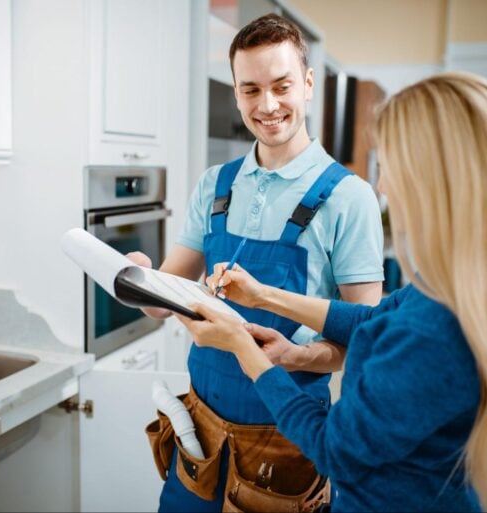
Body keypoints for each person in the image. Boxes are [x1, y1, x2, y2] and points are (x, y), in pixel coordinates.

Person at [177, 72, 487, 512]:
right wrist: (264, 296)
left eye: (391, 166)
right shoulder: (462, 289)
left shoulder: (433, 331)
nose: (383, 186)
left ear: (435, 180)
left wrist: (243, 347)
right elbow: (371, 319)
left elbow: (335, 448)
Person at [133, 13, 384, 512]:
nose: (266, 106)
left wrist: (295, 356)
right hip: (197, 432)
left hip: (286, 440)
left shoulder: (349, 198)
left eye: (281, 86)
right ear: (235, 91)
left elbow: (366, 342)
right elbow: (165, 302)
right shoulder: (215, 184)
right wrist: (137, 282)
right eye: (250, 90)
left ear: (308, 84)